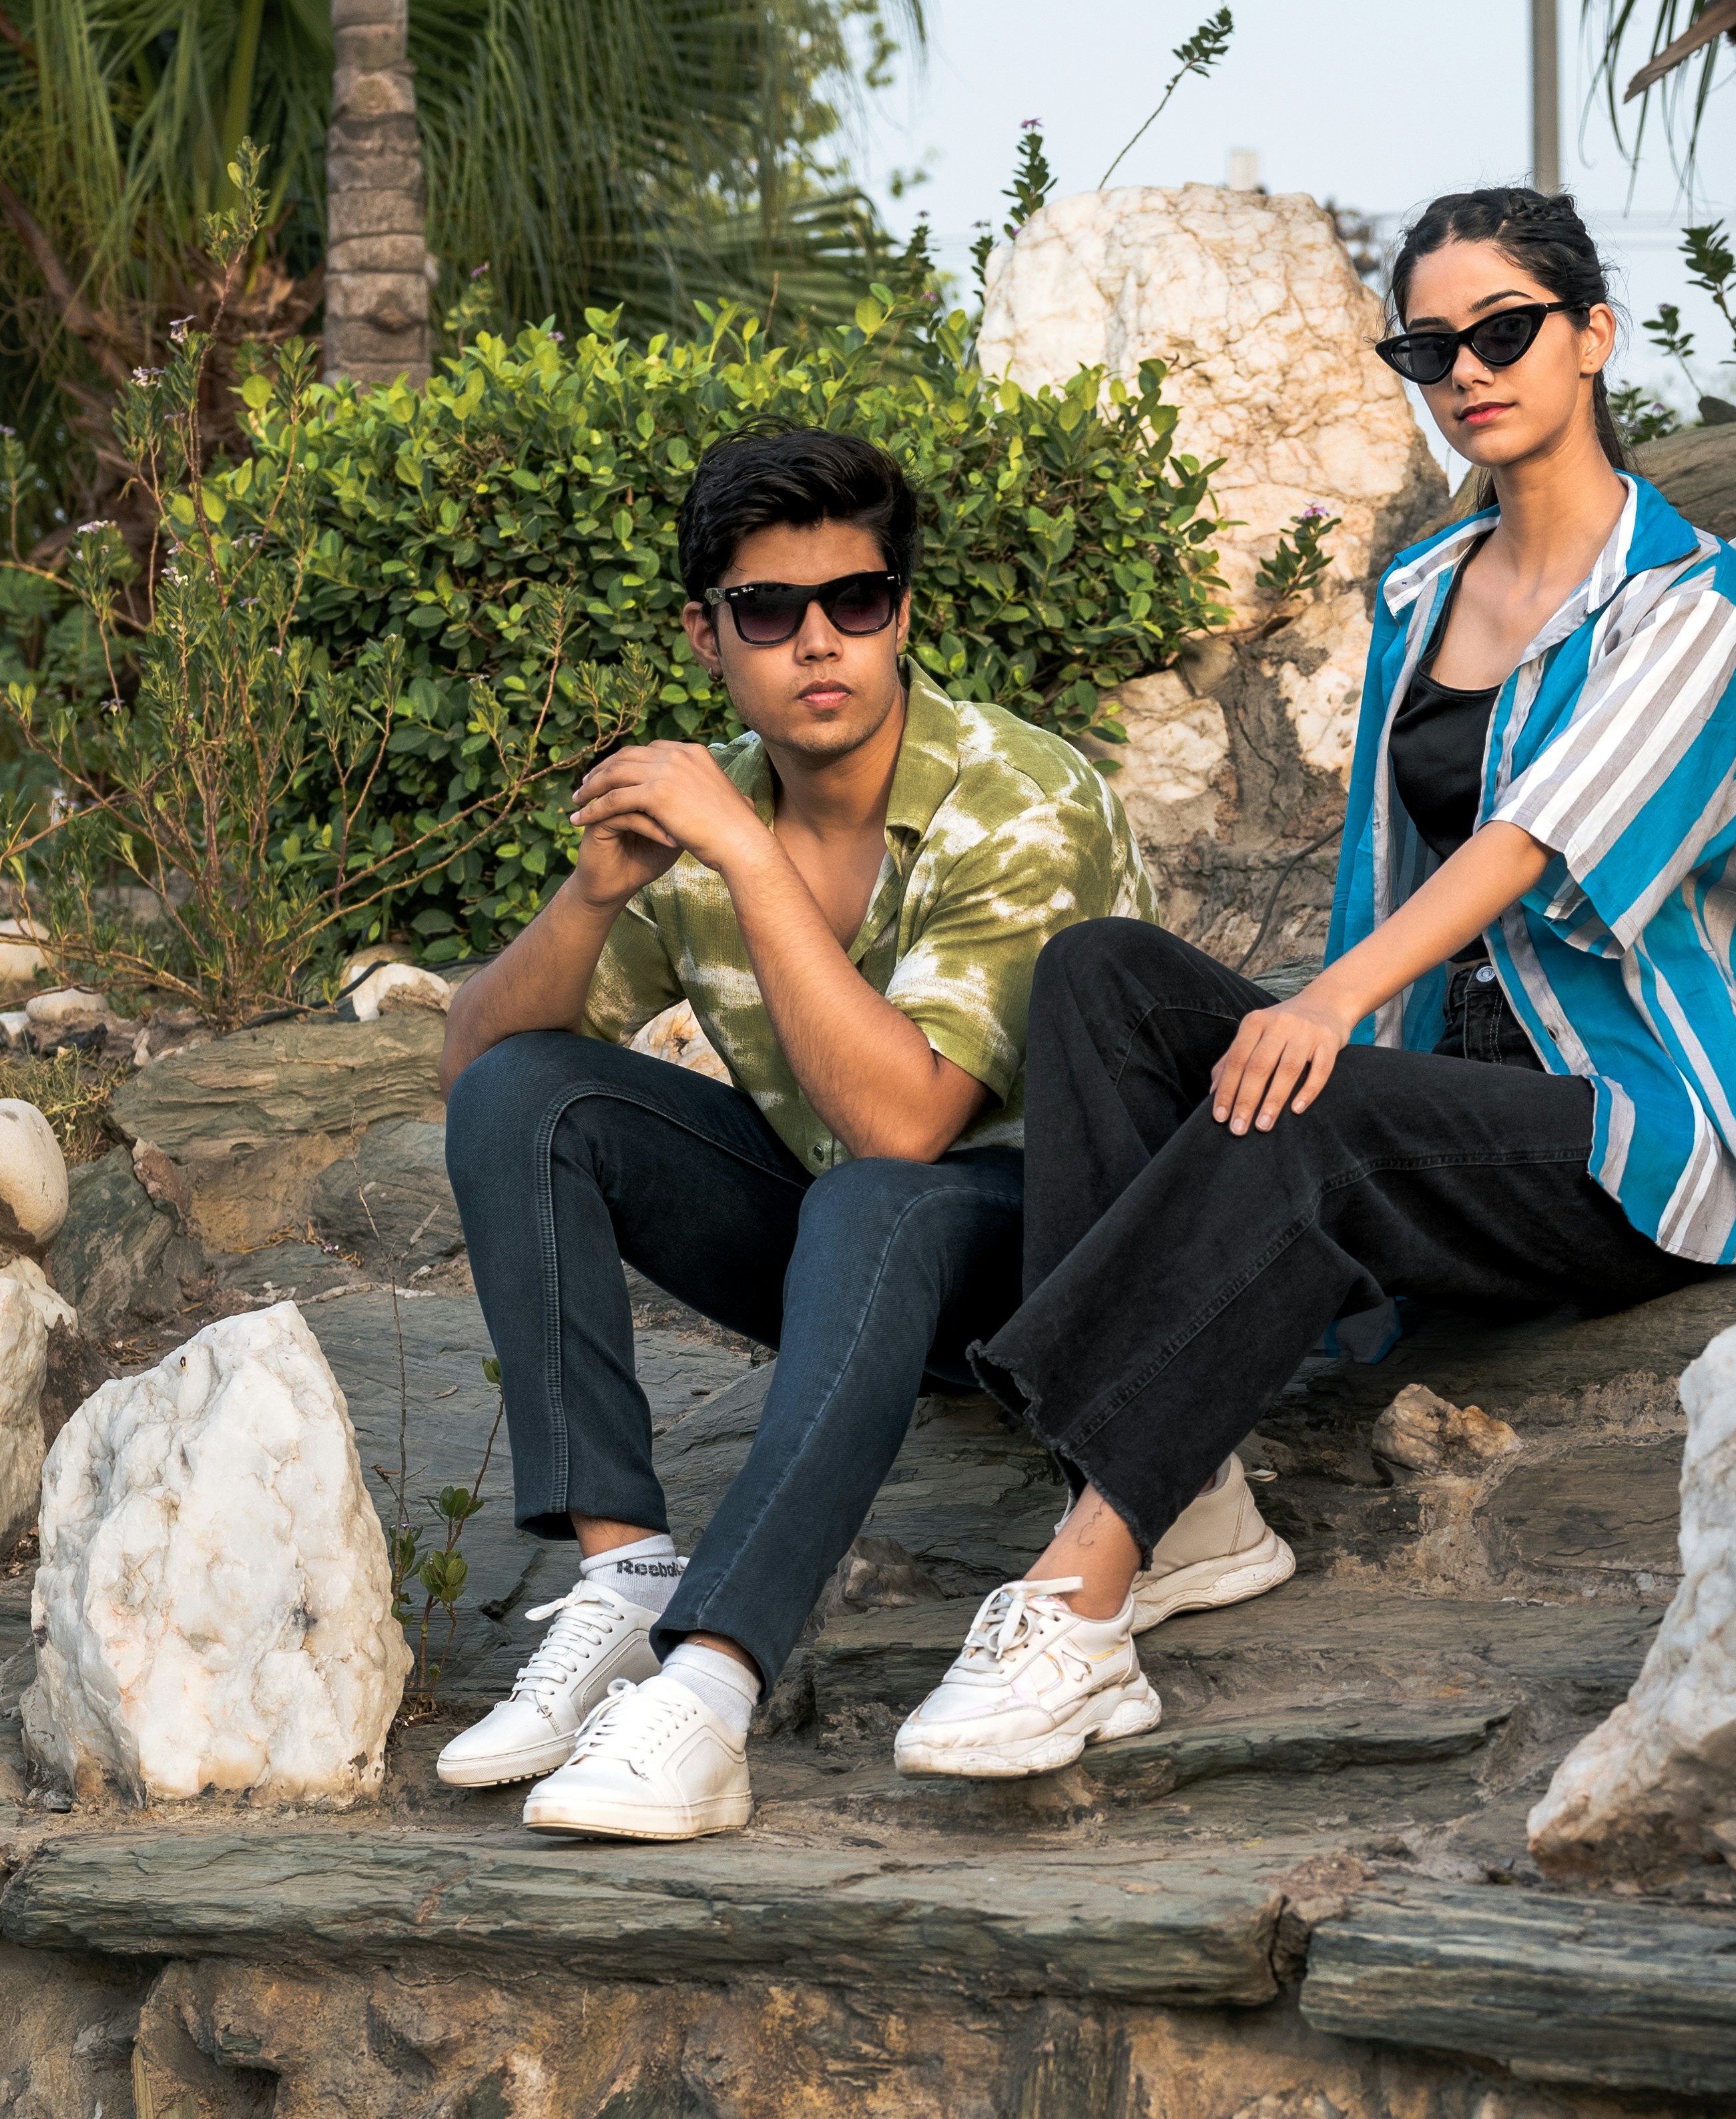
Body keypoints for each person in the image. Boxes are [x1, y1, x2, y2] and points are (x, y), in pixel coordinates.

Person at [891, 185, 1736, 1781]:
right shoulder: (1418, 594)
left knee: (1307, 1116)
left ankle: (1086, 1581)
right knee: (1100, 979)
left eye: (1504, 331)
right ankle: (1186, 1499)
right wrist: (1337, 1012)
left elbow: (1534, 842)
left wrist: (1324, 1006)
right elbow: (1384, 874)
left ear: (1592, 336)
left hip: (1620, 1131)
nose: (1466, 367)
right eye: (1429, 343)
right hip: (1436, 1093)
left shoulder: (1691, 602)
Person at [433, 426, 1287, 1842]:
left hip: (1059, 1264)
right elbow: (473, 1066)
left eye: (859, 601)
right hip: (855, 1247)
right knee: (532, 1095)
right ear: (707, 637)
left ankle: (708, 1694)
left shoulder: (1011, 796)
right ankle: (625, 1575)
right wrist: (589, 899)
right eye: (770, 612)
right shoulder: (708, 814)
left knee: (873, 1194)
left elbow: (907, 1122)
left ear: (903, 612)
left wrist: (746, 857)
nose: (818, 643)